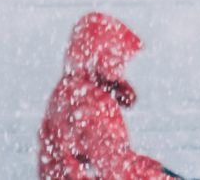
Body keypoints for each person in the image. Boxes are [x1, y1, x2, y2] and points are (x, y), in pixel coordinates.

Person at [38, 11, 180, 180]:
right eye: (117, 57)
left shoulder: (68, 92)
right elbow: (116, 171)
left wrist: (155, 168)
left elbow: (115, 159)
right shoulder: (91, 101)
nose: (122, 65)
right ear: (102, 56)